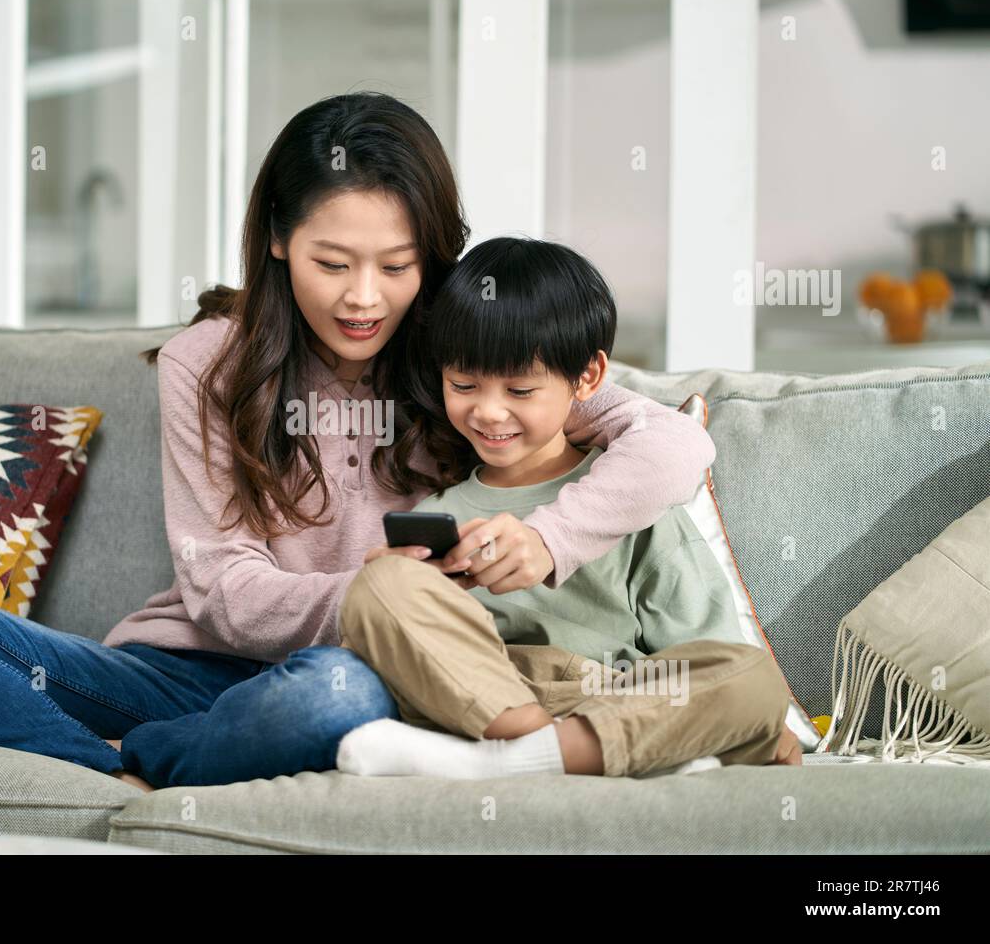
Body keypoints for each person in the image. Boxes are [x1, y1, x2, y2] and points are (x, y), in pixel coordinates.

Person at [0, 92, 717, 791]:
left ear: (433, 260)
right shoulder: (208, 363)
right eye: (334, 263)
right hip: (183, 673)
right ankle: (114, 764)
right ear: (279, 239)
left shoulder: (467, 359)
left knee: (335, 698)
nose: (364, 297)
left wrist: (545, 543)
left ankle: (147, 764)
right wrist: (379, 595)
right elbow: (223, 591)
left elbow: (676, 448)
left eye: (396, 267)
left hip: (362, 681)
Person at [335, 237, 801, 780]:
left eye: (520, 390)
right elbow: (403, 642)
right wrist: (409, 583)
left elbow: (707, 647)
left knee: (754, 679)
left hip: (617, 698)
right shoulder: (439, 506)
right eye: (463, 384)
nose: (488, 411)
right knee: (378, 583)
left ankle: (515, 762)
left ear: (588, 378)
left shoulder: (628, 496)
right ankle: (546, 752)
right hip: (490, 698)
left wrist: (757, 717)